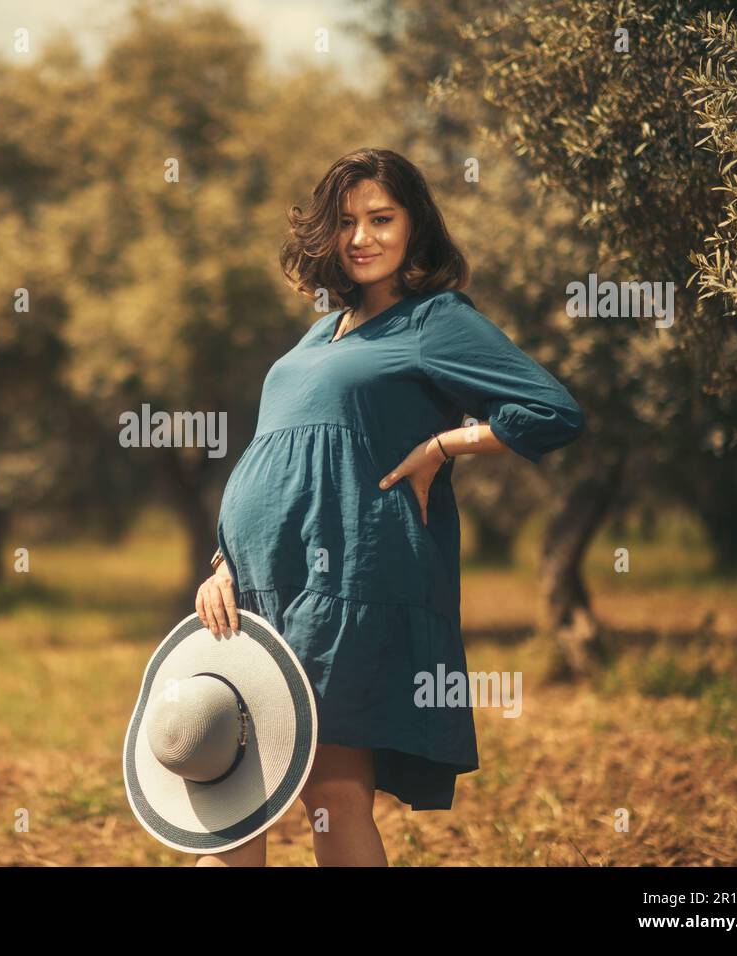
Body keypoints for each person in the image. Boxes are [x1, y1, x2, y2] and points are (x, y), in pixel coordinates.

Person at [193, 147, 586, 866]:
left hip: (352, 582)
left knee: (332, 791)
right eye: (345, 222)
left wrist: (445, 444)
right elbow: (272, 455)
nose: (361, 238)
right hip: (254, 588)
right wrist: (222, 561)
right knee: (230, 792)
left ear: (415, 227)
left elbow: (551, 409)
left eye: (381, 218)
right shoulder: (322, 330)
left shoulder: (435, 320)